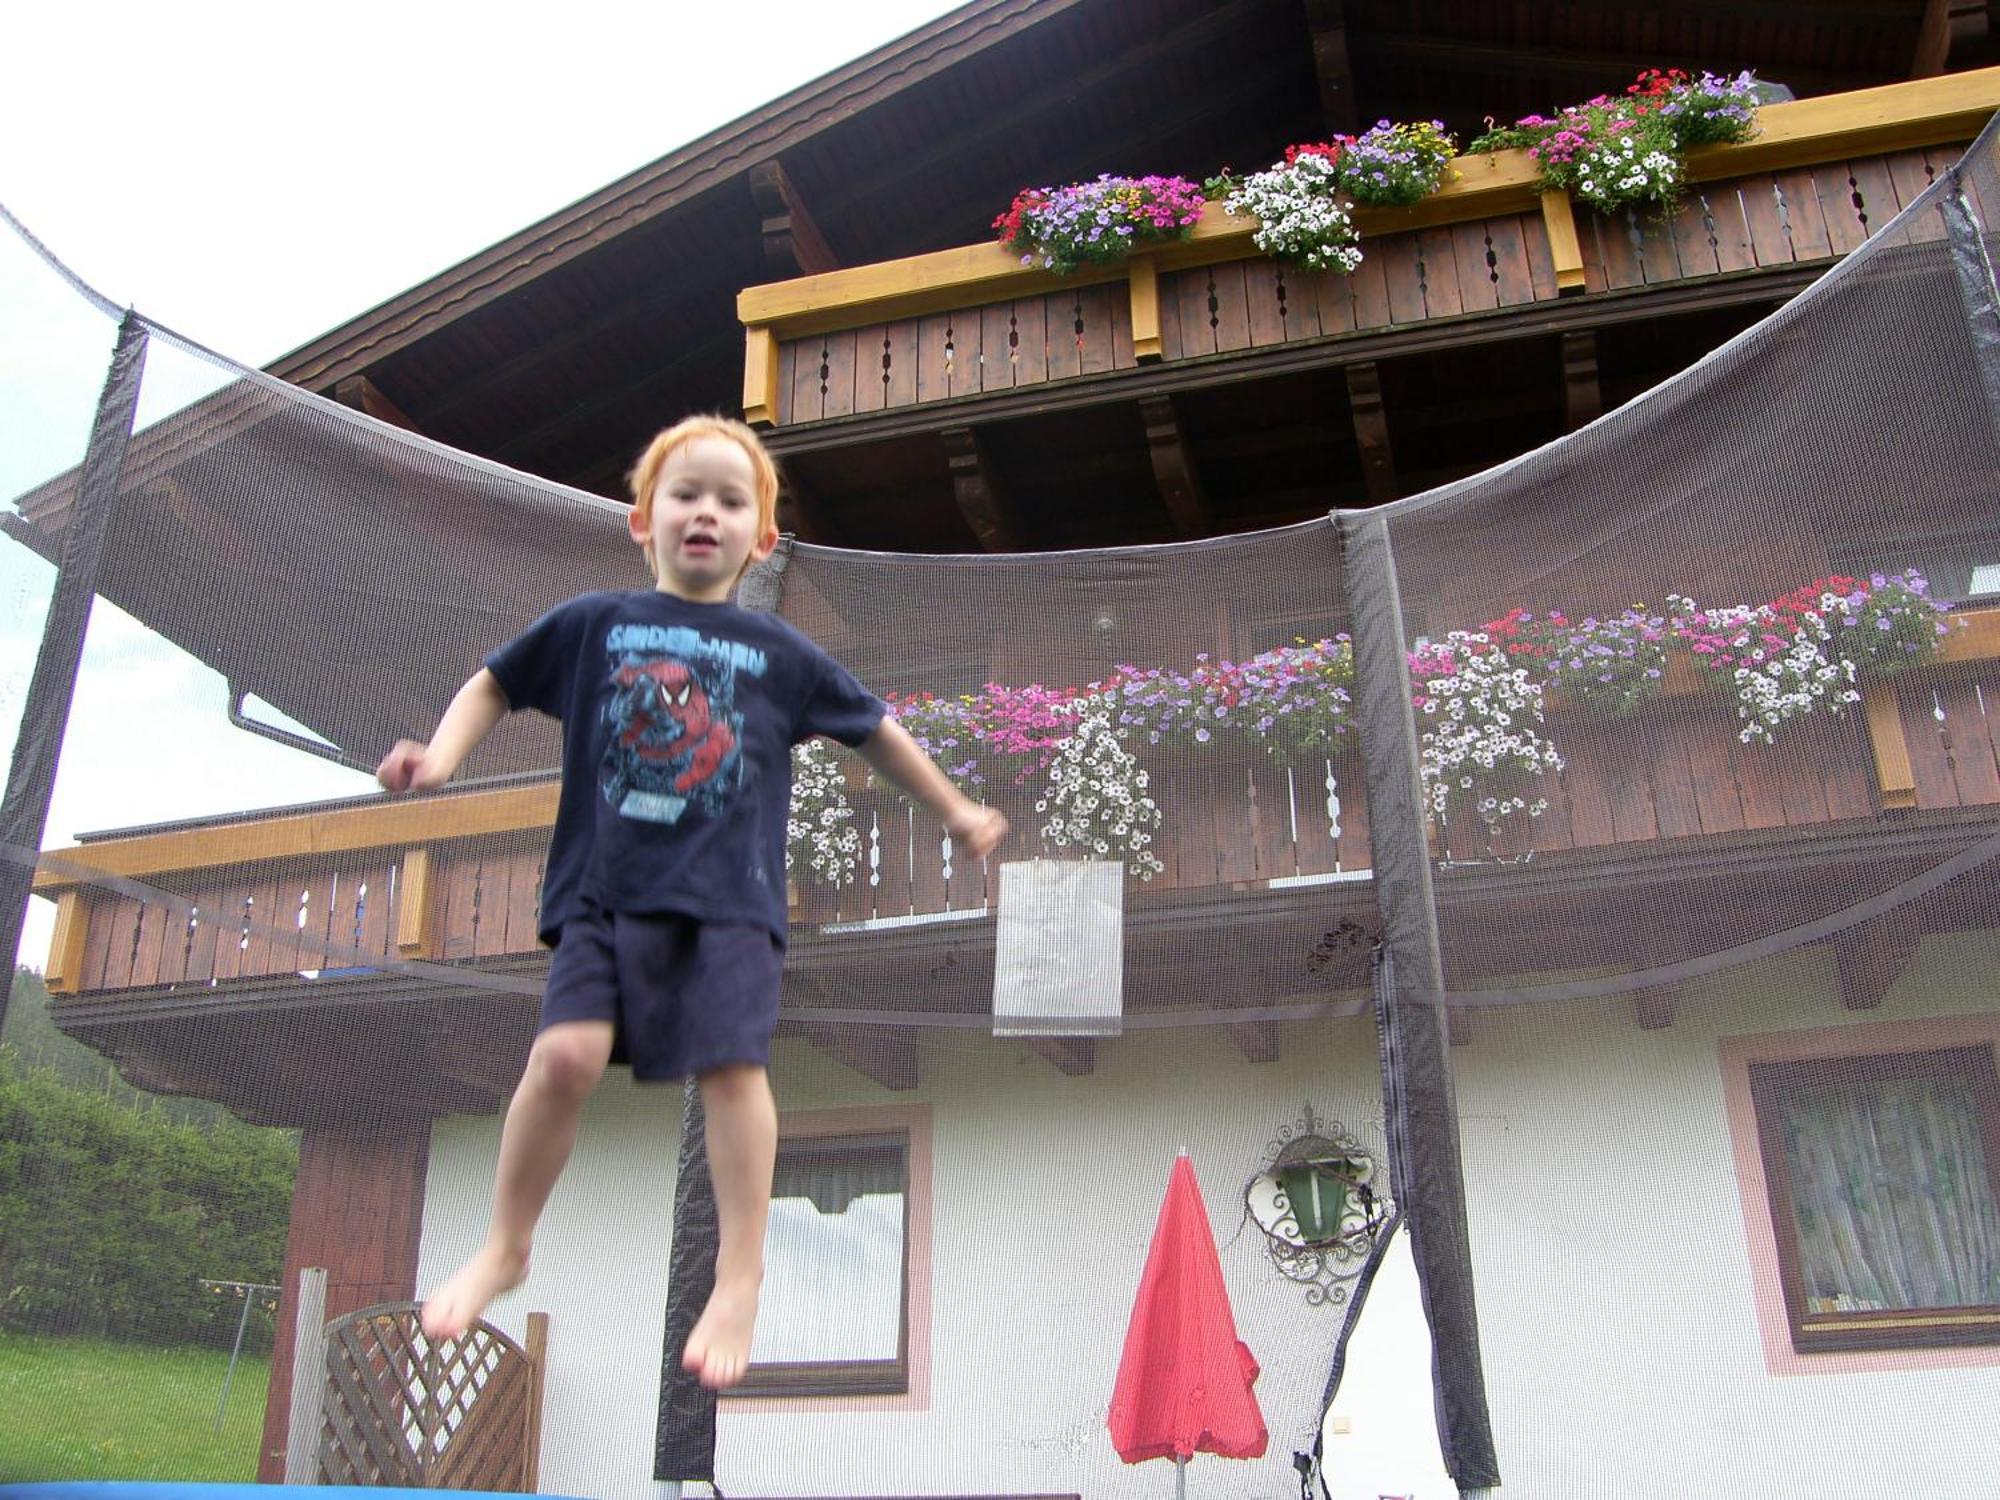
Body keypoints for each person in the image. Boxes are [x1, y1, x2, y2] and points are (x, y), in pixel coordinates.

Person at [377, 414, 1006, 1389]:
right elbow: (493, 685)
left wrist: (958, 811)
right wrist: (438, 756)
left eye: (729, 499)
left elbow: (877, 732)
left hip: (730, 904)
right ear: (643, 520)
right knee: (563, 1055)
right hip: (605, 893)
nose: (704, 511)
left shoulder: (778, 653)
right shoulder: (594, 624)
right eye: (685, 494)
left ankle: (740, 1276)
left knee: (728, 1069)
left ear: (760, 538)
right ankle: (506, 1243)